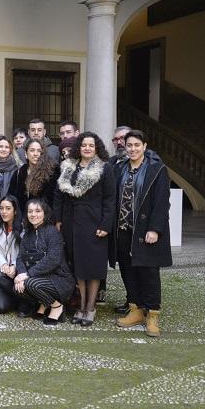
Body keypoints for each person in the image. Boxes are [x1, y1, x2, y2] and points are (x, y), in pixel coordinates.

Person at [54, 132, 115, 327]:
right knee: (79, 267)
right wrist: (58, 220)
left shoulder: (105, 169)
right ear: (78, 148)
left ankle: (90, 308)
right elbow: (60, 197)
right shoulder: (68, 168)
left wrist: (106, 225)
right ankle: (80, 307)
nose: (87, 148)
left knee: (93, 268)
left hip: (95, 224)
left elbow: (110, 199)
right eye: (84, 145)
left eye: (91, 145)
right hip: (71, 224)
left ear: (97, 148)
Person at [114, 130, 171, 337]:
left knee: (148, 272)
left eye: (137, 145)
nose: (133, 149)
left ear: (145, 146)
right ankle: (136, 309)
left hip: (145, 230)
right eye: (129, 145)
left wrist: (155, 229)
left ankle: (153, 314)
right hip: (123, 229)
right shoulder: (120, 168)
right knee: (128, 270)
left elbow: (162, 203)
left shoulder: (157, 169)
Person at [14, 199, 75, 325]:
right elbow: (20, 258)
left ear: (44, 213)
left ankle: (57, 307)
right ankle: (44, 303)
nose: (33, 214)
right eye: (30, 211)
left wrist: (28, 275)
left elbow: (53, 259)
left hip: (60, 279)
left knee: (31, 283)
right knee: (17, 288)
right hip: (39, 278)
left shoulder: (52, 232)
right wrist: (21, 274)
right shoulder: (27, 234)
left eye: (38, 211)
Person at [108, 125, 131, 314]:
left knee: (140, 267)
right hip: (118, 224)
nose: (119, 142)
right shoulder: (112, 162)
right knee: (124, 264)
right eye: (115, 139)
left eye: (122, 138)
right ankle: (131, 300)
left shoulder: (148, 161)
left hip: (135, 224)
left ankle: (144, 302)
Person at [9, 138, 59, 214]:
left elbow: (55, 200)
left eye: (39, 151)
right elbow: (12, 197)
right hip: (23, 219)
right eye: (32, 150)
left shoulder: (51, 173)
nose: (36, 154)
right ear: (26, 154)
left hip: (44, 218)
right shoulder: (19, 173)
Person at [0, 195, 22, 313]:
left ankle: (24, 299)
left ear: (15, 210)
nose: (4, 212)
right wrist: (3, 264)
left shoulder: (23, 227)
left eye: (8, 208)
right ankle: (17, 297)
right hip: (3, 272)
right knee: (0, 308)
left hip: (18, 271)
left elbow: (24, 253)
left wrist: (14, 265)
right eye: (1, 208)